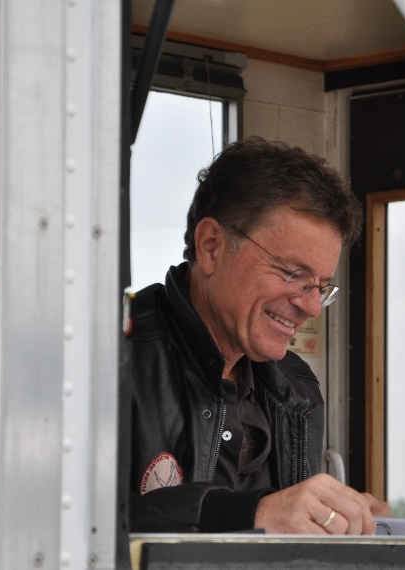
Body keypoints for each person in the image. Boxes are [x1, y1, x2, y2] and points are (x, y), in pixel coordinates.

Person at [126, 137, 390, 534]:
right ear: (211, 247)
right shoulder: (111, 359)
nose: (312, 307)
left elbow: (291, 531)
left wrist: (337, 522)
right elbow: (64, 521)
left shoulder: (297, 389)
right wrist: (252, 515)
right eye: (294, 275)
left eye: (320, 287)